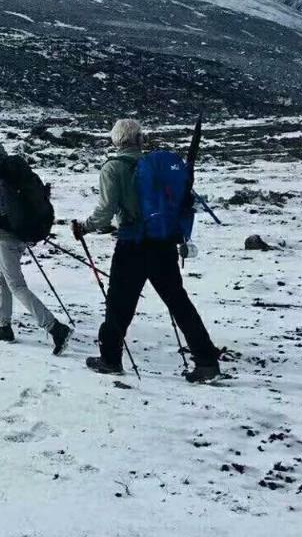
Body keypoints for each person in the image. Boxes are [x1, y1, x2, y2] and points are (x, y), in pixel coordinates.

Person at [71, 118, 221, 383]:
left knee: (119, 303)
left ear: (116, 141)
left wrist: (84, 227)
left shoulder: (113, 168)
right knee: (178, 302)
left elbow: (105, 213)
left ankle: (110, 359)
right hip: (163, 242)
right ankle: (207, 361)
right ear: (141, 139)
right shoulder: (154, 166)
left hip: (132, 244)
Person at [0, 122, 72, 353]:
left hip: (6, 235)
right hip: (20, 231)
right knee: (0, 277)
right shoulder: (12, 168)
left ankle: (55, 328)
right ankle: (4, 326)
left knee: (16, 284)